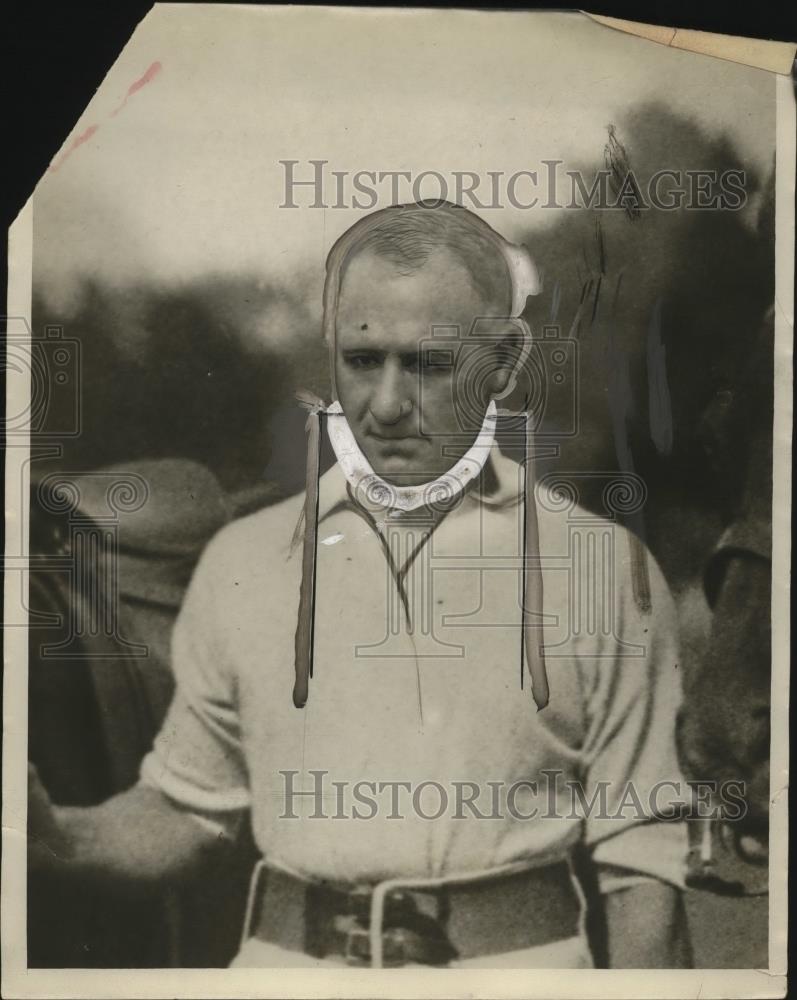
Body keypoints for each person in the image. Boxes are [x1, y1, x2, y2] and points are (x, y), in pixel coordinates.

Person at [29, 201, 691, 969]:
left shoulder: (602, 571)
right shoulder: (242, 562)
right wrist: (56, 835)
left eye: (428, 364)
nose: (383, 404)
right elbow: (183, 810)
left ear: (505, 359)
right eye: (361, 360)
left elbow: (642, 880)